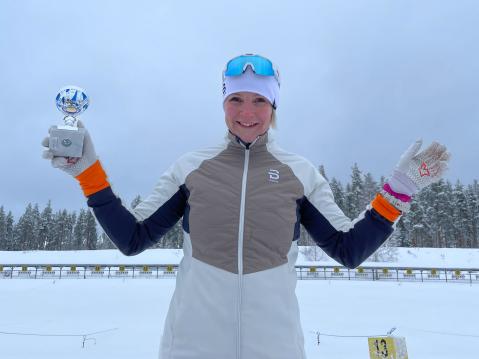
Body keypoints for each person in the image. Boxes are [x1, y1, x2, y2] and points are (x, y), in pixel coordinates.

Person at [42, 54, 450, 359]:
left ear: (274, 107)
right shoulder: (191, 169)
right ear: (223, 103)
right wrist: (89, 173)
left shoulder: (299, 174)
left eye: (260, 101)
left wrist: (399, 191)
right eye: (236, 99)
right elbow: (132, 239)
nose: (247, 112)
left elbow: (349, 249)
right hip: (190, 348)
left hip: (275, 348)